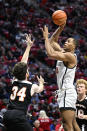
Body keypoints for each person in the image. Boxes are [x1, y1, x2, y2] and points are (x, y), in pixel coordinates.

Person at [42, 24, 81, 131]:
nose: (65, 42)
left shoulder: (70, 56)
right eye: (66, 40)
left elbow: (49, 53)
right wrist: (60, 28)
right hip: (66, 92)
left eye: (69, 41)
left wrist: (45, 37)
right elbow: (53, 41)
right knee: (73, 124)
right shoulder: (63, 53)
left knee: (67, 124)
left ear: (74, 47)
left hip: (67, 92)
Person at [3, 34, 45, 131]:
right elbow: (40, 89)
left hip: (7, 114)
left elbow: (23, 63)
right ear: (26, 74)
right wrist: (42, 83)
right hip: (19, 115)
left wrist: (28, 47)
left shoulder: (14, 80)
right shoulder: (32, 86)